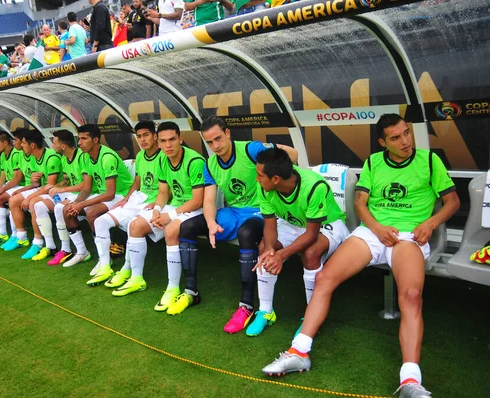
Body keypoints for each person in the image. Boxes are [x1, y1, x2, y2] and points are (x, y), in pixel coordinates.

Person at [260, 114, 460, 398]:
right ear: (383, 142)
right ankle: (299, 351)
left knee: (411, 296)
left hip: (409, 236)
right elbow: (360, 202)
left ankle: (410, 381)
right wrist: (377, 228)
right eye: (395, 137)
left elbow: (453, 202)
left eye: (406, 133)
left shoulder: (429, 161)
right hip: (372, 232)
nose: (405, 141)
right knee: (325, 277)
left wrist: (430, 223)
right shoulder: (373, 162)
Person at [177, 116, 299, 327]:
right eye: (209, 142)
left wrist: (273, 161)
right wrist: (211, 222)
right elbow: (208, 200)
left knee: (246, 233)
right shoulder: (210, 164)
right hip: (233, 212)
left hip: (260, 210)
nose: (215, 146)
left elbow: (294, 154)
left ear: (227, 133)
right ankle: (191, 291)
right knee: (186, 227)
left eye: (218, 139)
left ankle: (246, 306)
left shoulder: (251, 150)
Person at [246, 147, 349, 337]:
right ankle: (266, 312)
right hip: (293, 222)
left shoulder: (314, 186)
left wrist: (282, 255)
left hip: (327, 224)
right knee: (264, 249)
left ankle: (312, 317)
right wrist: (270, 251)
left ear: (276, 178)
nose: (257, 179)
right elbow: (270, 225)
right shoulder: (264, 187)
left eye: (260, 175)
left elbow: (311, 234)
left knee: (310, 254)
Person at [121, 122, 205, 313]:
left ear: (180, 139)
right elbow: (163, 191)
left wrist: (170, 215)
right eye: (164, 141)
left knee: (171, 230)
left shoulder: (194, 161)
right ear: (158, 142)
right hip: (175, 207)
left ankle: (172, 288)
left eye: (172, 140)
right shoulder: (162, 160)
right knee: (135, 225)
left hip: (196, 209)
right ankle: (136, 278)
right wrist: (158, 209)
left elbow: (198, 200)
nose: (168, 145)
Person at [86, 121, 164, 290]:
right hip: (138, 198)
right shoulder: (141, 156)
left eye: (146, 135)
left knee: (132, 226)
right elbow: (137, 181)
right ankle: (105, 266)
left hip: (158, 201)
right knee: (100, 222)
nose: (142, 140)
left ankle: (128, 270)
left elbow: (170, 186)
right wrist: (126, 199)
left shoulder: (165, 155)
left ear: (155, 136)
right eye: (139, 136)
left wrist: (156, 202)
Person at [61, 124, 133, 269]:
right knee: (67, 210)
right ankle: (82, 252)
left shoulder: (107, 157)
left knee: (91, 211)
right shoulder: (86, 158)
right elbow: (87, 188)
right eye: (78, 139)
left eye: (83, 139)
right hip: (103, 194)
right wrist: (75, 204)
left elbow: (110, 193)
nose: (79, 143)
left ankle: (104, 258)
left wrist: (81, 205)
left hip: (122, 195)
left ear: (95, 140)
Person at [29, 129, 88, 264]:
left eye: (54, 143)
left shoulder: (82, 157)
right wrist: (56, 187)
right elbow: (67, 179)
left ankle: (66, 249)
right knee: (39, 205)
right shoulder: (64, 158)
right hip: (71, 192)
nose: (52, 146)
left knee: (59, 208)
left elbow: (85, 185)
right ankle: (50, 247)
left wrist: (63, 189)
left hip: (85, 194)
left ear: (63, 146)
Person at [1, 130, 63, 256]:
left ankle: (38, 242)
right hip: (46, 189)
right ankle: (21, 237)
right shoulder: (35, 157)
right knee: (13, 200)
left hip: (57, 191)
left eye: (23, 143)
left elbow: (50, 185)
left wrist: (30, 196)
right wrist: (27, 187)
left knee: (34, 203)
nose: (21, 145)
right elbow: (38, 184)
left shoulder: (51, 157)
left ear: (32, 145)